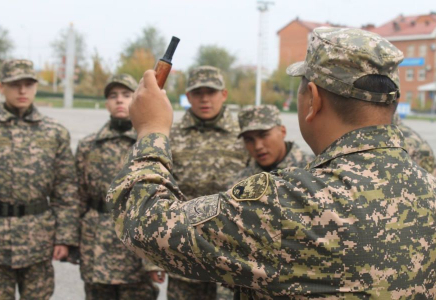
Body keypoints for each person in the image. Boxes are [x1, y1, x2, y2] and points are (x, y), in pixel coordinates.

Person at [107, 27, 436, 299]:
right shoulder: (429, 188)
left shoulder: (289, 202)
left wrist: (151, 131)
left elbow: (144, 226)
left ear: (313, 99)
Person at [75, 74, 162, 300]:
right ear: (106, 103)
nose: (119, 101)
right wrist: (70, 240)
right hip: (97, 245)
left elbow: (160, 201)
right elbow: (77, 197)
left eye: (126, 95)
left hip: (135, 243)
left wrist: (155, 259)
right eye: (113, 96)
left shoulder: (150, 145)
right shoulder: (89, 145)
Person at [0, 59, 80, 300]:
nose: (22, 91)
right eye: (15, 85)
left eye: (28, 84)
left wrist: (65, 237)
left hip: (38, 239)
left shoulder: (54, 132)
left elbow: (66, 188)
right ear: (2, 87)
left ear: (35, 87)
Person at [167, 65, 248, 300]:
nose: (204, 99)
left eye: (211, 92)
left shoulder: (244, 134)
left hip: (232, 251)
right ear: (188, 96)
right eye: (198, 93)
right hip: (184, 249)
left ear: (223, 94)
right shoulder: (170, 135)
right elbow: (159, 190)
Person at [234, 104, 312, 182]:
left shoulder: (312, 170)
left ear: (282, 131)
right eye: (249, 140)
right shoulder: (241, 182)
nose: (258, 146)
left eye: (263, 135)